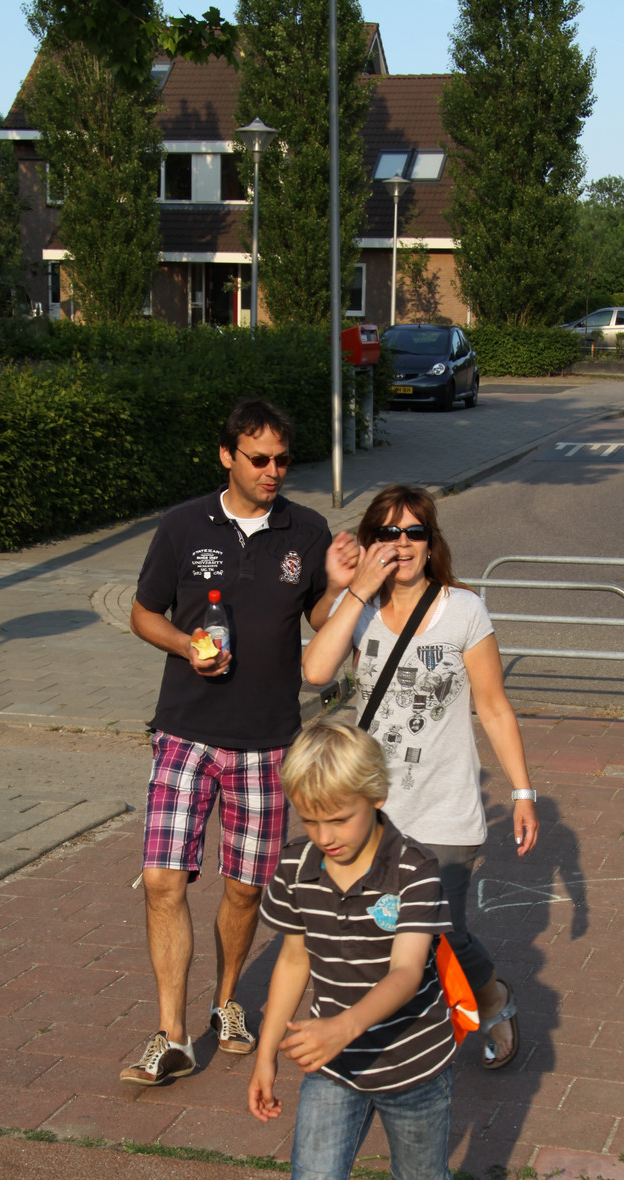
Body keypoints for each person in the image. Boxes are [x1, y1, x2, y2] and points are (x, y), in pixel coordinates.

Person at [207, 721, 459, 1180]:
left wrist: (346, 1024)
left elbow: (407, 971)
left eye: (339, 818)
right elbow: (294, 957)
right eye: (310, 820)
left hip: (411, 1062)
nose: (325, 836)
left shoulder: (414, 869)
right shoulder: (297, 865)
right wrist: (266, 1050)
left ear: (376, 797)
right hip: (333, 1067)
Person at [120, 397, 358, 1086]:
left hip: (267, 741)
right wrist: (185, 645)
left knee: (246, 889)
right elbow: (143, 613)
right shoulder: (181, 525)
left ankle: (226, 1002)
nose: (272, 471)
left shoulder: (305, 530)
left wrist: (342, 588)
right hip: (185, 732)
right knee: (162, 880)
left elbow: (319, 620)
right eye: (259, 459)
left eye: (282, 459)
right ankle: (171, 1033)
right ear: (227, 456)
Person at [300, 484, 539, 1070]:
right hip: (375, 810)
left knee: (438, 930)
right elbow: (316, 671)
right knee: (380, 927)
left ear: (431, 543)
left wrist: (522, 791)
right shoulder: (360, 608)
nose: (401, 544)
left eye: (414, 532)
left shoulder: (463, 610)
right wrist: (355, 588)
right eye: (388, 532)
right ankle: (397, 1033)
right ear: (370, 542)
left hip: (445, 807)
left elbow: (493, 707)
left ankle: (491, 996)